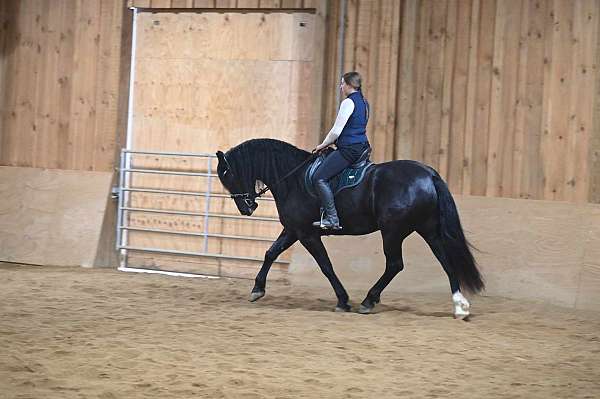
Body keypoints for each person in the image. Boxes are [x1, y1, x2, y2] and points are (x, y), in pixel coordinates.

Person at [312, 71, 371, 230]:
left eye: (342, 83)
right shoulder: (365, 103)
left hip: (349, 150)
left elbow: (336, 131)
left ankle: (332, 218)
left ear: (350, 85)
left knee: (319, 178)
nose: (340, 87)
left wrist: (322, 145)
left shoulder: (348, 103)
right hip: (363, 147)